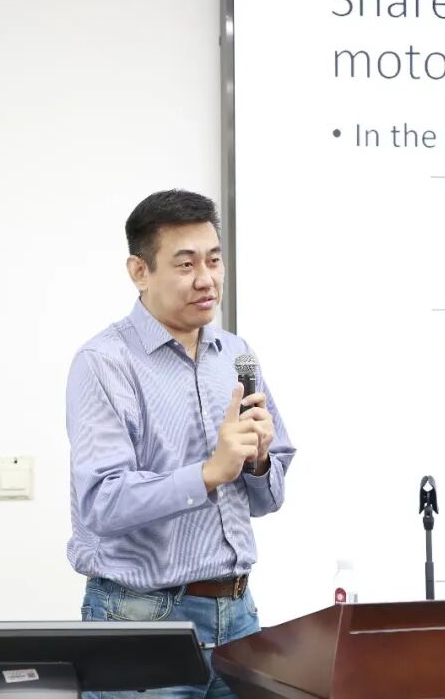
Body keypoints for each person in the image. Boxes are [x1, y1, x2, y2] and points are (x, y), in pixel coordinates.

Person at [66, 189, 296, 698]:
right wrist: (210, 472)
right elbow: (101, 503)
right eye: (186, 264)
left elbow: (268, 499)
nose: (206, 279)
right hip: (143, 619)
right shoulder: (104, 363)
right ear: (139, 271)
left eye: (214, 260)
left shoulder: (236, 354)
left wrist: (258, 463)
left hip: (239, 616)